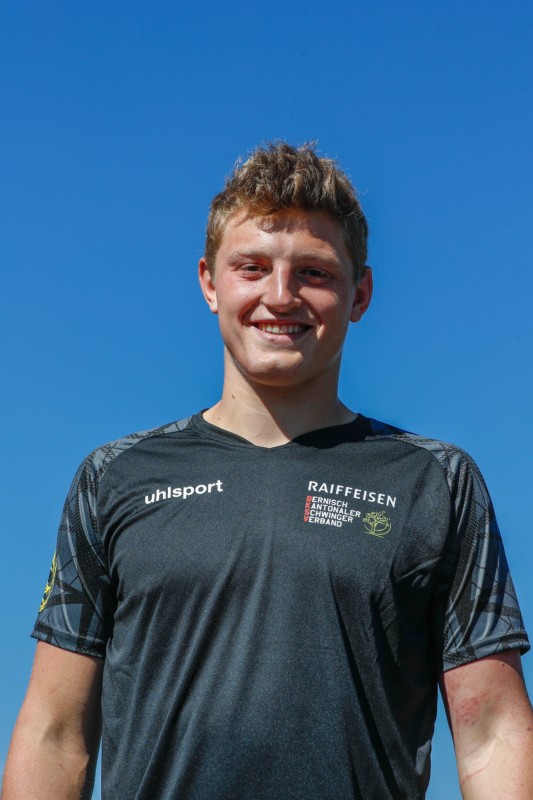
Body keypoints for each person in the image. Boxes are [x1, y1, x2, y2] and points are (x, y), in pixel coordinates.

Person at [2, 142, 532, 800]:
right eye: (251, 267)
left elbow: (493, 733)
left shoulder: (436, 482)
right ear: (209, 283)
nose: (280, 296)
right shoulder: (114, 477)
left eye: (313, 272)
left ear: (360, 293)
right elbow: (55, 733)